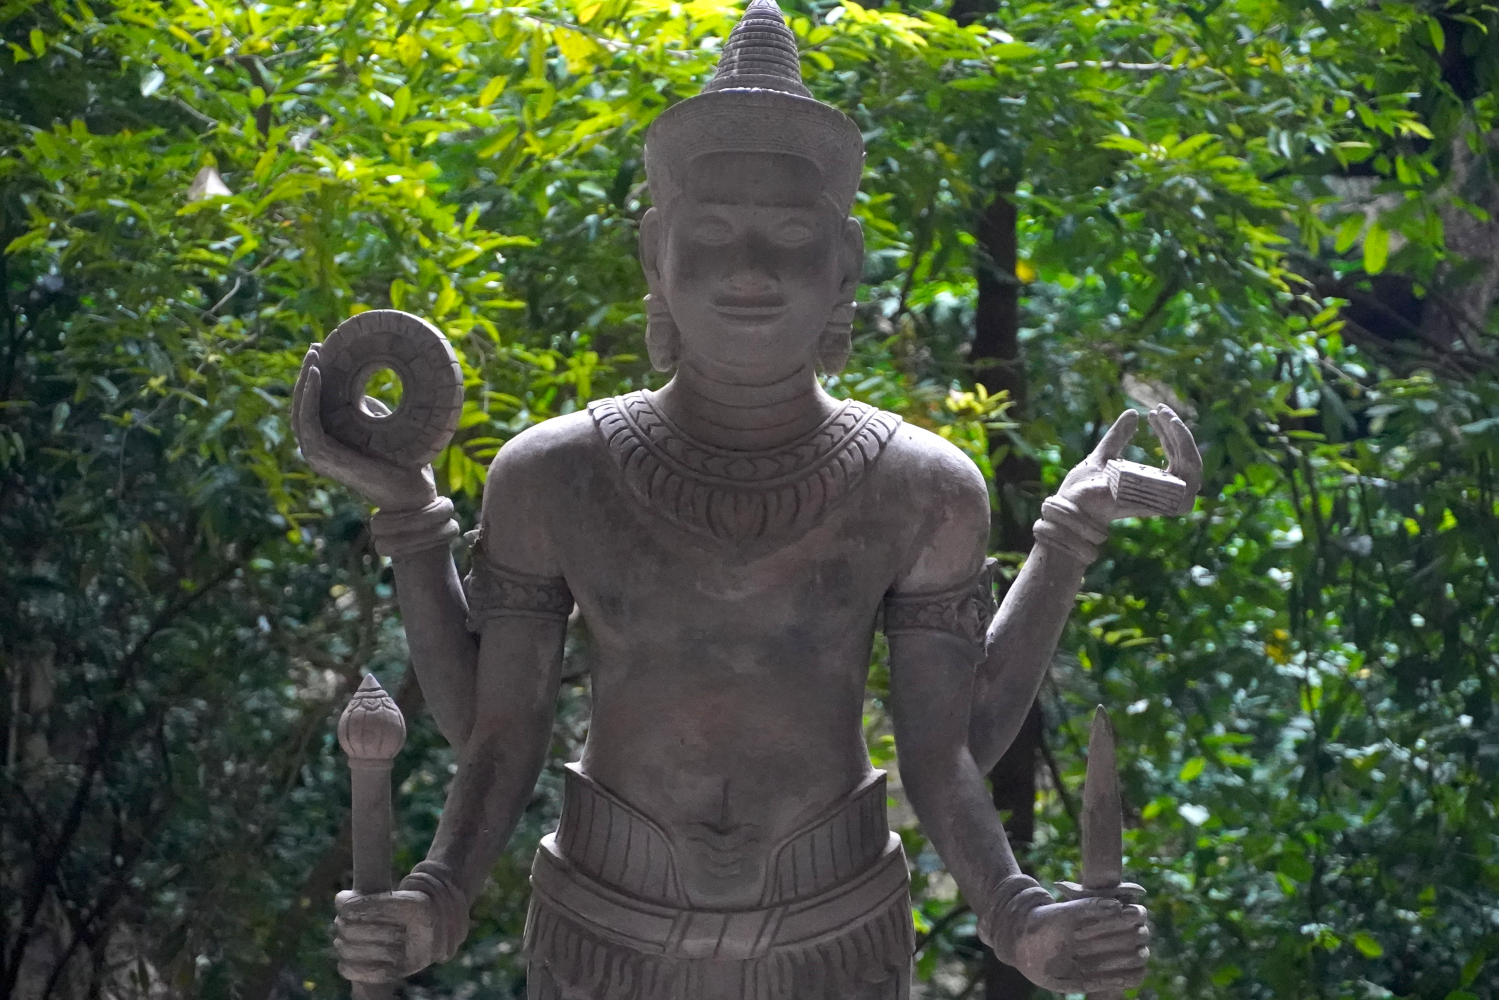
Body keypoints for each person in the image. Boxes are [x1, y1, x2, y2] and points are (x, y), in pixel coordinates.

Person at [293, 3, 1200, 997]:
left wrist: (1017, 914)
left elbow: (947, 751)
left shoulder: (921, 487)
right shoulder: (555, 474)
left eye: (791, 233)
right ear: (656, 251)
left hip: (836, 932)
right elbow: (499, 735)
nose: (752, 269)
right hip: (603, 930)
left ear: (845, 260)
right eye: (714, 231)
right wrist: (436, 895)